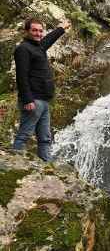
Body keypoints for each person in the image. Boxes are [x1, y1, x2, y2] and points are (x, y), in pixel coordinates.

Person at [12, 17, 70, 161]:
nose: (38, 33)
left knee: (45, 138)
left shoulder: (38, 47)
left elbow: (49, 39)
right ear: (26, 31)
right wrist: (27, 99)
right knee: (24, 135)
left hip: (44, 101)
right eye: (34, 30)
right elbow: (21, 76)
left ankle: (46, 165)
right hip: (33, 100)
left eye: (40, 31)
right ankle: (12, 164)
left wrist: (61, 28)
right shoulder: (23, 49)